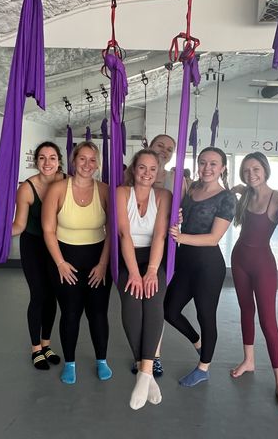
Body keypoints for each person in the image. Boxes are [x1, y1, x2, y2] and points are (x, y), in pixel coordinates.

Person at [0, 141, 64, 370]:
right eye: (42, 158)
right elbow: (19, 226)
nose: (47, 162)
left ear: (59, 160)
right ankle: (35, 349)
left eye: (52, 157)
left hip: (59, 246)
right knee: (38, 295)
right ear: (35, 161)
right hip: (34, 246)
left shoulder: (67, 182)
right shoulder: (27, 188)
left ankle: (46, 344)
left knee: (53, 298)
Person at [229, 152, 278, 411]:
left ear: (265, 169)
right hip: (239, 260)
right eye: (246, 170)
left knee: (268, 322)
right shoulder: (244, 193)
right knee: (246, 311)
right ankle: (249, 360)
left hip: (263, 265)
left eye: (255, 169)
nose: (251, 174)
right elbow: (232, 188)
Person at [164, 146, 236, 387]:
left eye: (213, 163)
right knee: (170, 311)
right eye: (203, 162)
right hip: (185, 262)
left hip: (208, 266)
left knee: (206, 316)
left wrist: (180, 237)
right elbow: (186, 217)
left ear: (222, 168)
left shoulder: (226, 198)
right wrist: (181, 220)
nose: (207, 167)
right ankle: (198, 343)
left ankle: (203, 367)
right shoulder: (192, 188)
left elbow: (214, 238)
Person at [42, 141, 112, 385]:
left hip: (97, 259)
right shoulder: (58, 189)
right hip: (64, 259)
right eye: (82, 159)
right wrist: (60, 263)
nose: (87, 164)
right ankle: (70, 363)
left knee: (98, 313)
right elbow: (48, 230)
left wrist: (103, 263)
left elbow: (112, 231)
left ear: (98, 163)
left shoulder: (104, 190)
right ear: (73, 161)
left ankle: (101, 360)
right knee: (70, 313)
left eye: (92, 160)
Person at [116, 149, 171, 410]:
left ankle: (144, 372)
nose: (147, 173)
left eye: (152, 168)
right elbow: (124, 234)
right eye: (142, 167)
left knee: (153, 303)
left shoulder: (163, 195)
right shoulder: (121, 193)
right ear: (133, 169)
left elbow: (160, 236)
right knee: (131, 304)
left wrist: (150, 271)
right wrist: (135, 273)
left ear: (158, 172)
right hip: (128, 257)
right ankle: (144, 371)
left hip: (153, 258)